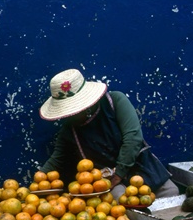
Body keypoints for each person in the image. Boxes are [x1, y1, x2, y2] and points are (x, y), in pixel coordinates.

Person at [38, 68, 179, 201]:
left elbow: (133, 138)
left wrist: (119, 173)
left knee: (172, 194)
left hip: (141, 167)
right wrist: (35, 184)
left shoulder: (115, 101)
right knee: (125, 207)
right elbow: (56, 160)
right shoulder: (69, 130)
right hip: (110, 182)